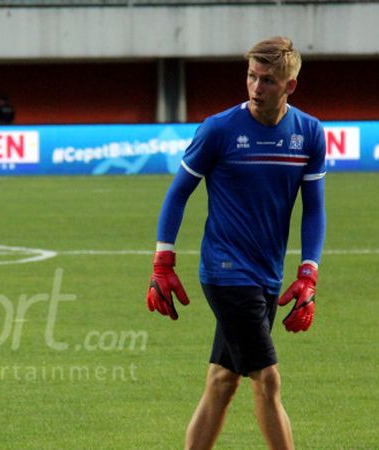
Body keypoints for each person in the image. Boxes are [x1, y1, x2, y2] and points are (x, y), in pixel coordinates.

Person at [146, 36, 326, 449]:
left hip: (267, 274)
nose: (255, 87)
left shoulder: (310, 135)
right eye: (251, 76)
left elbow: (314, 209)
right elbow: (178, 193)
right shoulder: (218, 130)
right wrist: (163, 263)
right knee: (267, 379)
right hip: (225, 272)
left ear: (289, 86)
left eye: (266, 80)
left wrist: (308, 272)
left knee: (223, 380)